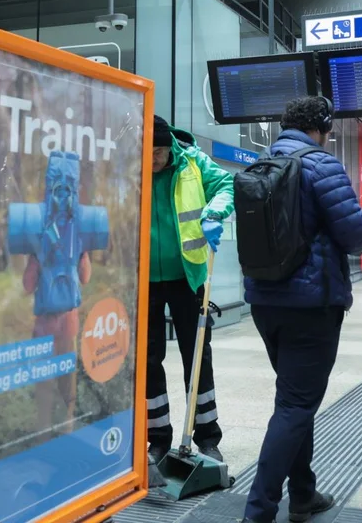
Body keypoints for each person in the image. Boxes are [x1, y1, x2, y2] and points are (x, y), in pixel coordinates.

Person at [241, 96, 362, 523]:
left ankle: (303, 494)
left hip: (264, 301)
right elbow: (355, 236)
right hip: (310, 305)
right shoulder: (321, 164)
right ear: (323, 128)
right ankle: (257, 511)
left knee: (296, 399)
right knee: (296, 405)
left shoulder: (262, 164)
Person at [147, 115, 234, 464]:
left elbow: (226, 184)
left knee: (197, 354)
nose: (152, 159)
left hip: (189, 276)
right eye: (147, 152)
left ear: (169, 145)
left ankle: (208, 435)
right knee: (149, 358)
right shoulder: (128, 166)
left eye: (158, 151)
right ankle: (157, 436)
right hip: (144, 278)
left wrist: (215, 211)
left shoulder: (193, 161)